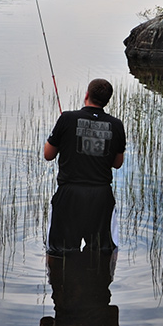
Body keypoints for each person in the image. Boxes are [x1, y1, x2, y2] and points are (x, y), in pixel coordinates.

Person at [44, 78, 126, 255]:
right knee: (102, 253)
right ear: (107, 100)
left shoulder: (67, 118)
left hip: (69, 195)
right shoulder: (117, 125)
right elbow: (118, 164)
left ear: (87, 95)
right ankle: (98, 280)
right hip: (101, 196)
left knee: (59, 252)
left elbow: (48, 155)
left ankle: (59, 280)